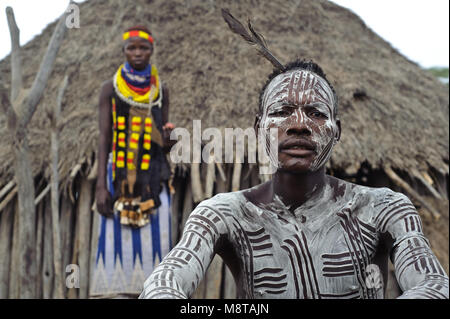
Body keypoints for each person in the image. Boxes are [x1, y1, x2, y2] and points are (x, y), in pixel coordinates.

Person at [138, 12, 448, 299]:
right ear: (259, 128)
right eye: (282, 112)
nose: (298, 125)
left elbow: (432, 284)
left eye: (315, 112)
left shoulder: (385, 209)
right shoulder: (221, 215)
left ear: (336, 130)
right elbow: (165, 281)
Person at [90, 25, 175, 298]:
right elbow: (104, 138)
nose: (137, 53)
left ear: (152, 50)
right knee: (116, 244)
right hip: (119, 175)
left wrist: (168, 140)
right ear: (123, 51)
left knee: (157, 242)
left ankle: (154, 291)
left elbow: (162, 139)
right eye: (132, 48)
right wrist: (101, 186)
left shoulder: (161, 90)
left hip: (153, 177)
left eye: (143, 48)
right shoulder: (109, 89)